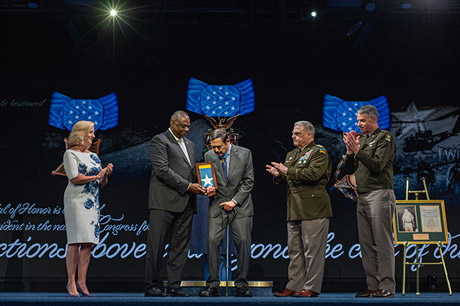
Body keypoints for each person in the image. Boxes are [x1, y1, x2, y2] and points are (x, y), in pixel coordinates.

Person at [145, 110, 211, 297]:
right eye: (183, 126)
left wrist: (207, 183)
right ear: (173, 123)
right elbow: (162, 170)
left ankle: (174, 286)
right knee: (156, 246)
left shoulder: (190, 144)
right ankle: (151, 285)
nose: (187, 129)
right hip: (163, 202)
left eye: (189, 126)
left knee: (180, 248)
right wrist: (189, 186)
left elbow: (191, 171)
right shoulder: (160, 140)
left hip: (186, 203)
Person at [266, 121, 332, 298]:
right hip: (294, 207)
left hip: (314, 207)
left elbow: (313, 174)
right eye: (293, 133)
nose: (293, 136)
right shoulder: (292, 154)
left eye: (297, 133)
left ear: (309, 135)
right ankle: (294, 285)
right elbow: (289, 177)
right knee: (295, 251)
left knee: (313, 252)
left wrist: (287, 171)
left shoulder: (319, 152)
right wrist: (279, 176)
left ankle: (311, 287)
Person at [342, 104, 396, 298]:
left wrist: (358, 150)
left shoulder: (385, 138)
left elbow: (377, 166)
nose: (359, 124)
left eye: (363, 120)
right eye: (358, 121)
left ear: (374, 119)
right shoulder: (361, 139)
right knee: (366, 244)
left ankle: (387, 287)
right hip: (362, 195)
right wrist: (350, 151)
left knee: (382, 242)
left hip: (380, 193)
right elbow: (348, 170)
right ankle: (372, 286)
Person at [199, 129, 255, 297]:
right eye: (213, 147)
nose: (216, 151)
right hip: (218, 203)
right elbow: (208, 179)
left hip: (240, 204)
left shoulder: (245, 154)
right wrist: (207, 189)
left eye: (219, 147)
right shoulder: (208, 156)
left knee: (243, 242)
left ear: (228, 142)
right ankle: (213, 285)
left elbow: (249, 181)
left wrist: (234, 201)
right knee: (212, 241)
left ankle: (241, 285)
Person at [63, 120, 113, 297]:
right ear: (81, 134)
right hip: (76, 200)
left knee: (88, 242)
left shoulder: (94, 156)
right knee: (75, 241)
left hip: (92, 201)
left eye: (93, 132)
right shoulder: (70, 154)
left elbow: (100, 183)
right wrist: (96, 176)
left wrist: (105, 175)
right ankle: (71, 282)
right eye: (90, 132)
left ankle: (82, 282)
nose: (93, 135)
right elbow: (75, 178)